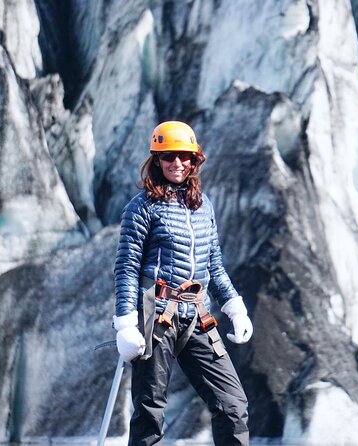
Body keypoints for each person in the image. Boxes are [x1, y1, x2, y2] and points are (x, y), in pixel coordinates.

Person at [113, 121, 252, 446]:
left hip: (198, 316)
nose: (177, 163)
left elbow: (214, 266)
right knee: (150, 411)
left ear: (195, 161)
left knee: (232, 403)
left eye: (185, 156)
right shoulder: (141, 207)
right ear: (157, 160)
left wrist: (235, 308)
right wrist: (125, 324)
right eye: (169, 156)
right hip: (155, 315)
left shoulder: (203, 206)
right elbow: (126, 267)